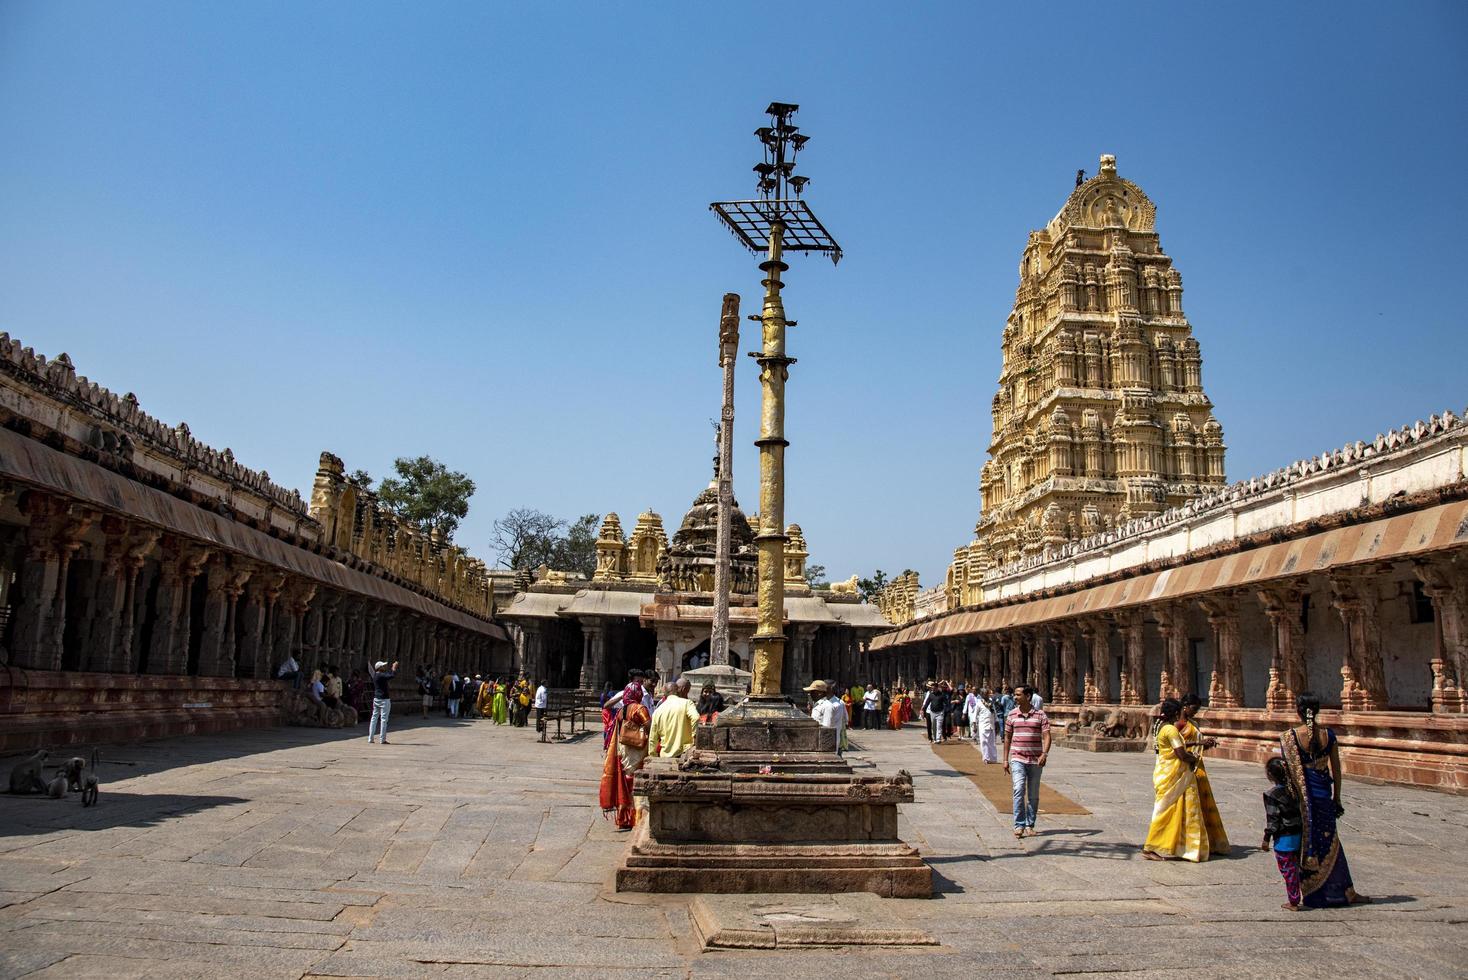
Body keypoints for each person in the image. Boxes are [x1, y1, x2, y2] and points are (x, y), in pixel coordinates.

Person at [1280, 692, 1370, 907]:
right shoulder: (1328, 736)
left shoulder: (1290, 737)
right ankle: (1345, 890)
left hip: (1305, 799)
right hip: (1323, 794)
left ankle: (1310, 892)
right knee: (1331, 842)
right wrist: (1336, 797)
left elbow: (1289, 774)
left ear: (1298, 711)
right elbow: (1336, 771)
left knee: (1307, 843)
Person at [1142, 697, 1215, 861]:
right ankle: (1151, 846)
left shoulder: (1163, 728)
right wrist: (1194, 758)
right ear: (1176, 712)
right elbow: (1180, 753)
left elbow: (1176, 747)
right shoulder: (1171, 730)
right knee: (1166, 811)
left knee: (1176, 811)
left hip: (1168, 773)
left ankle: (1182, 845)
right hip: (1174, 775)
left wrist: (1198, 743)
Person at [1179, 693, 1229, 855]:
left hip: (1198, 765)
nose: (1195, 712)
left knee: (1203, 804)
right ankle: (1189, 842)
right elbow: (1175, 746)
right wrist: (1199, 743)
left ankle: (1208, 840)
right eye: (1193, 709)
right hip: (1185, 767)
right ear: (1185, 706)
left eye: (1197, 710)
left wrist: (1205, 744)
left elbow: (1194, 746)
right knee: (1190, 806)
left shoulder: (1193, 723)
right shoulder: (1178, 725)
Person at [600, 674, 651, 830]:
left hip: (624, 748)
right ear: (638, 694)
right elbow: (650, 726)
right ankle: (638, 817)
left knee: (626, 781)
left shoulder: (622, 710)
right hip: (637, 748)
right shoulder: (639, 708)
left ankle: (625, 818)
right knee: (637, 781)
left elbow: (608, 708)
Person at [1003, 684, 1051, 838]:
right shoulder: (1012, 715)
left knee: (1033, 794)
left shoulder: (1040, 715)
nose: (1015, 697)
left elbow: (1047, 735)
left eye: (1018, 695)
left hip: (1036, 760)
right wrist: (1005, 759)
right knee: (1018, 789)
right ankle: (1019, 825)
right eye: (1015, 695)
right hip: (1017, 758)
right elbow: (1007, 738)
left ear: (1028, 696)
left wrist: (1045, 753)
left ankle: (1030, 824)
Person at [1261, 756, 1306, 911]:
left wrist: (1266, 839)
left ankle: (1293, 901)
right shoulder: (1295, 790)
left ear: (1270, 775)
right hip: (1298, 835)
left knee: (1288, 870)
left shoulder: (1272, 795)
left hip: (1284, 839)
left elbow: (1273, 819)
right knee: (1297, 867)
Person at [649, 677, 700, 758]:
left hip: (664, 755)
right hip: (684, 753)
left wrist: (653, 755)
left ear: (665, 693)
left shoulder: (657, 711)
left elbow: (652, 738)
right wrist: (693, 739)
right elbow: (696, 718)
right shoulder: (687, 703)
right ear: (678, 690)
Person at [807, 680, 846, 757]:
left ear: (819, 693)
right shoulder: (818, 704)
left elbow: (827, 728)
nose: (810, 695)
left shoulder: (828, 706)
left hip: (824, 743)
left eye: (812, 692)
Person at [366, 659, 397, 745]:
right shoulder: (381, 675)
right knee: (383, 719)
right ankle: (382, 739)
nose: (384, 667)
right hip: (384, 699)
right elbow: (392, 675)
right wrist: (393, 668)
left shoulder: (376, 675)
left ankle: (370, 738)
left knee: (374, 718)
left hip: (376, 698)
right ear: (380, 668)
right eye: (383, 666)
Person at [972, 686, 999, 763]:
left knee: (992, 742)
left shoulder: (991, 703)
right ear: (982, 695)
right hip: (983, 725)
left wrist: (997, 724)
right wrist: (974, 726)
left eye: (988, 693)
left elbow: (995, 714)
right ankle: (986, 758)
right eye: (985, 694)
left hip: (991, 725)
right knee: (984, 742)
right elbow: (974, 715)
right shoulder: (979, 703)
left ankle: (993, 758)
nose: (987, 695)